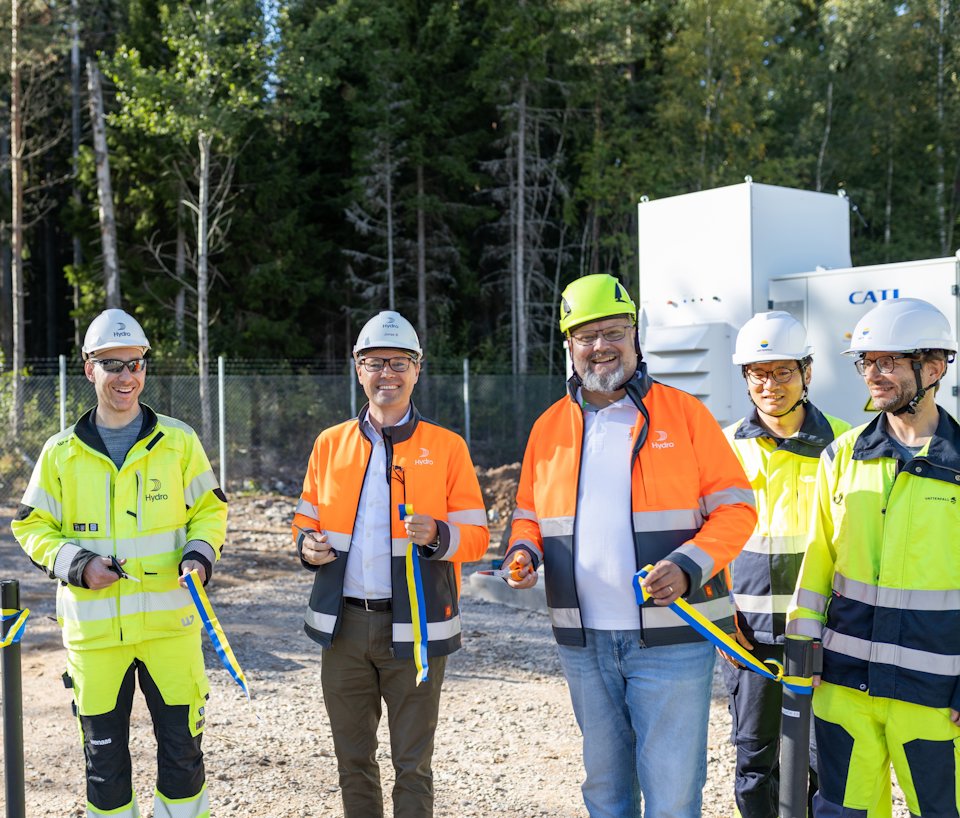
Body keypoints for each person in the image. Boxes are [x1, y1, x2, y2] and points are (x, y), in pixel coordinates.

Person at [503, 273, 758, 818]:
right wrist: (522, 553)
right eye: (587, 335)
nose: (602, 346)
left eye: (614, 331)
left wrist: (688, 566)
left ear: (635, 335)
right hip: (584, 642)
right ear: (568, 346)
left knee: (671, 795)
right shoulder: (548, 427)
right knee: (606, 790)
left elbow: (738, 508)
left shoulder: (684, 415)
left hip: (673, 638)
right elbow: (528, 514)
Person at [11, 308, 228, 818]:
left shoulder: (179, 443)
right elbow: (30, 525)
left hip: (170, 627)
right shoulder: (60, 452)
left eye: (135, 364)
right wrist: (78, 563)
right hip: (95, 634)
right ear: (90, 369)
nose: (126, 377)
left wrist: (199, 556)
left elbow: (209, 511)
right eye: (113, 365)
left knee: (183, 758)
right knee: (104, 769)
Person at [292, 310, 488, 818]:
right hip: (345, 629)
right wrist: (306, 546)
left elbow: (479, 538)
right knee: (352, 759)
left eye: (399, 362)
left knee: (412, 763)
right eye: (376, 362)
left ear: (417, 369)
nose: (387, 374)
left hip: (418, 629)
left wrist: (440, 535)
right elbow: (305, 521)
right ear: (358, 368)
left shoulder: (447, 448)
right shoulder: (329, 444)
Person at [787, 297, 960, 818]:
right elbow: (818, 559)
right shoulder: (841, 455)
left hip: (934, 697)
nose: (874, 375)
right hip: (844, 686)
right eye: (867, 362)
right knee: (843, 812)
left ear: (933, 368)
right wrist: (802, 647)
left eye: (889, 361)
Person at [722, 312, 850, 818]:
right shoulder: (726, 447)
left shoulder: (845, 445)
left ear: (807, 373)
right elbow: (705, 538)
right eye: (758, 372)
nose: (769, 385)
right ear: (745, 378)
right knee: (755, 761)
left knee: (821, 763)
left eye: (782, 372)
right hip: (747, 637)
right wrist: (718, 619)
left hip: (822, 638)